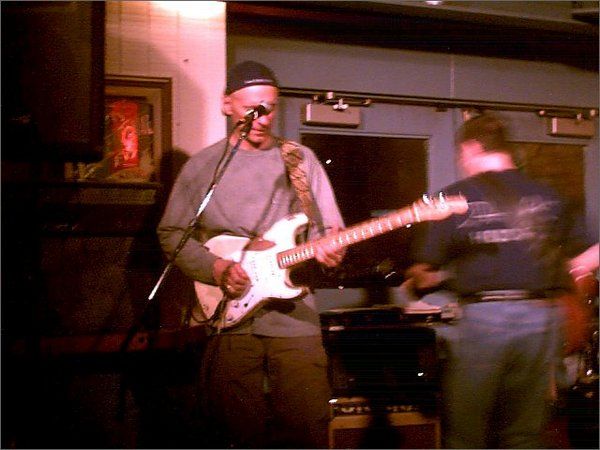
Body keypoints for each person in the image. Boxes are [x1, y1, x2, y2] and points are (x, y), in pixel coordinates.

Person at [157, 61, 345, 449]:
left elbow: (327, 230)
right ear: (227, 105)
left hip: (295, 316)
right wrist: (216, 268)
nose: (262, 119)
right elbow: (171, 232)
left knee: (307, 426)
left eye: (270, 108)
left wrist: (331, 248)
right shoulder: (203, 166)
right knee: (237, 430)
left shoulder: (300, 160)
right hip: (230, 317)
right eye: (251, 110)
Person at [405, 113, 590, 448]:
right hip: (542, 319)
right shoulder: (549, 195)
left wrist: (424, 278)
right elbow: (592, 253)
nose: (462, 163)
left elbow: (425, 273)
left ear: (472, 148)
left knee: (467, 433)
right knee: (524, 434)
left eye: (461, 155)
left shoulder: (454, 198)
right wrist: (564, 278)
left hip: (483, 319)